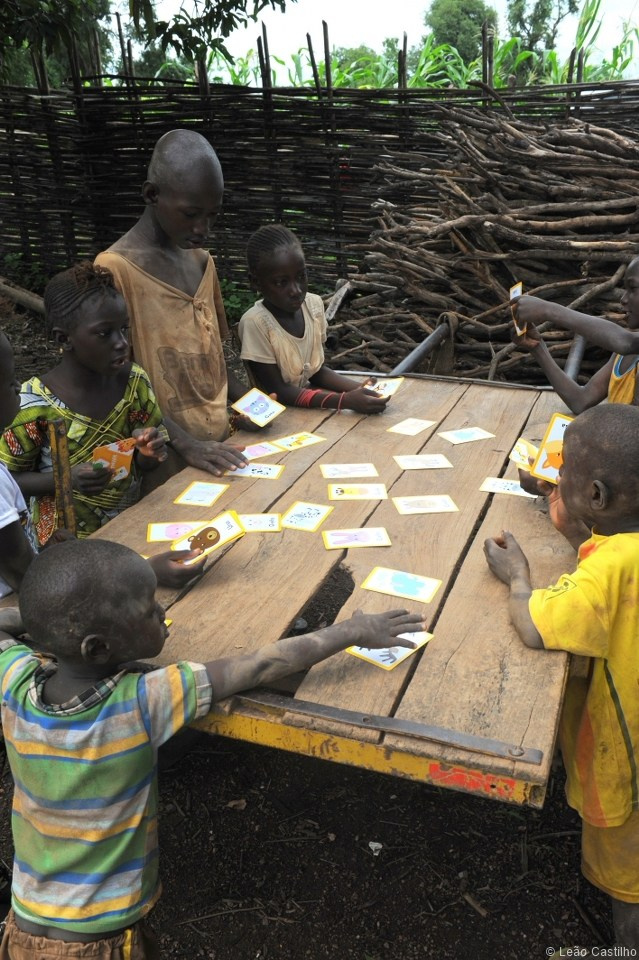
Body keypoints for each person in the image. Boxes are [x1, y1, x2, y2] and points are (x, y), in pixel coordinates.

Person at [0, 537, 425, 956]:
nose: (160, 609)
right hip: (100, 938)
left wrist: (48, 623)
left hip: (24, 919)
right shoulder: (144, 701)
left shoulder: (13, 680)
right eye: (148, 609)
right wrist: (350, 630)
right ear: (97, 647)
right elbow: (262, 663)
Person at [483, 404, 639, 952]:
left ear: (596, 496)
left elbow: (534, 626)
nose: (553, 474)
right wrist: (579, 532)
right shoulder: (622, 551)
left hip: (630, 762)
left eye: (562, 470)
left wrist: (518, 577)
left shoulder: (606, 570)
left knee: (631, 880)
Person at [0, 286, 199, 591]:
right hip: (63, 556)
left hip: (133, 531)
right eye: (105, 334)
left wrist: (146, 454)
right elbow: (9, 482)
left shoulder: (135, 383)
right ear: (63, 339)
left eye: (124, 330)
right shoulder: (31, 405)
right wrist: (65, 479)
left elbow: (145, 467)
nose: (121, 343)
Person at [95, 129, 253, 476]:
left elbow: (212, 362)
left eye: (212, 215)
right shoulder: (115, 269)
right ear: (152, 194)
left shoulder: (201, 262)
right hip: (163, 453)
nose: (203, 228)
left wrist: (247, 403)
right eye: (191, 214)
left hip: (220, 444)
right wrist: (185, 443)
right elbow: (115, 380)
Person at [238, 224, 389, 413]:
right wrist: (344, 401)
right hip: (276, 418)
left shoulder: (313, 306)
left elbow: (316, 372)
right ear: (256, 282)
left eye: (301, 277)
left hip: (308, 409)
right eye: (281, 283)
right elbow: (279, 391)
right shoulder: (256, 323)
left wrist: (360, 389)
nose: (296, 290)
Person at [512, 257, 639, 413]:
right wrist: (538, 348)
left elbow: (626, 342)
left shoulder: (628, 344)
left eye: (633, 289)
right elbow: (581, 401)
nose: (623, 299)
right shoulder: (623, 355)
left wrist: (548, 310)